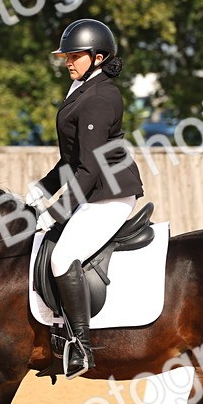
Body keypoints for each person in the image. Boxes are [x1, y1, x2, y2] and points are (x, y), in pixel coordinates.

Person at [27, 19, 145, 378]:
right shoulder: (81, 90)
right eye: (66, 56)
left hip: (109, 194)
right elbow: (72, 160)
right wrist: (42, 189)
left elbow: (90, 168)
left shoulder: (98, 98)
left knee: (63, 257)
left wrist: (57, 211)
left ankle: (81, 347)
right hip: (93, 189)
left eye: (75, 55)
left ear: (98, 57)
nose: (68, 61)